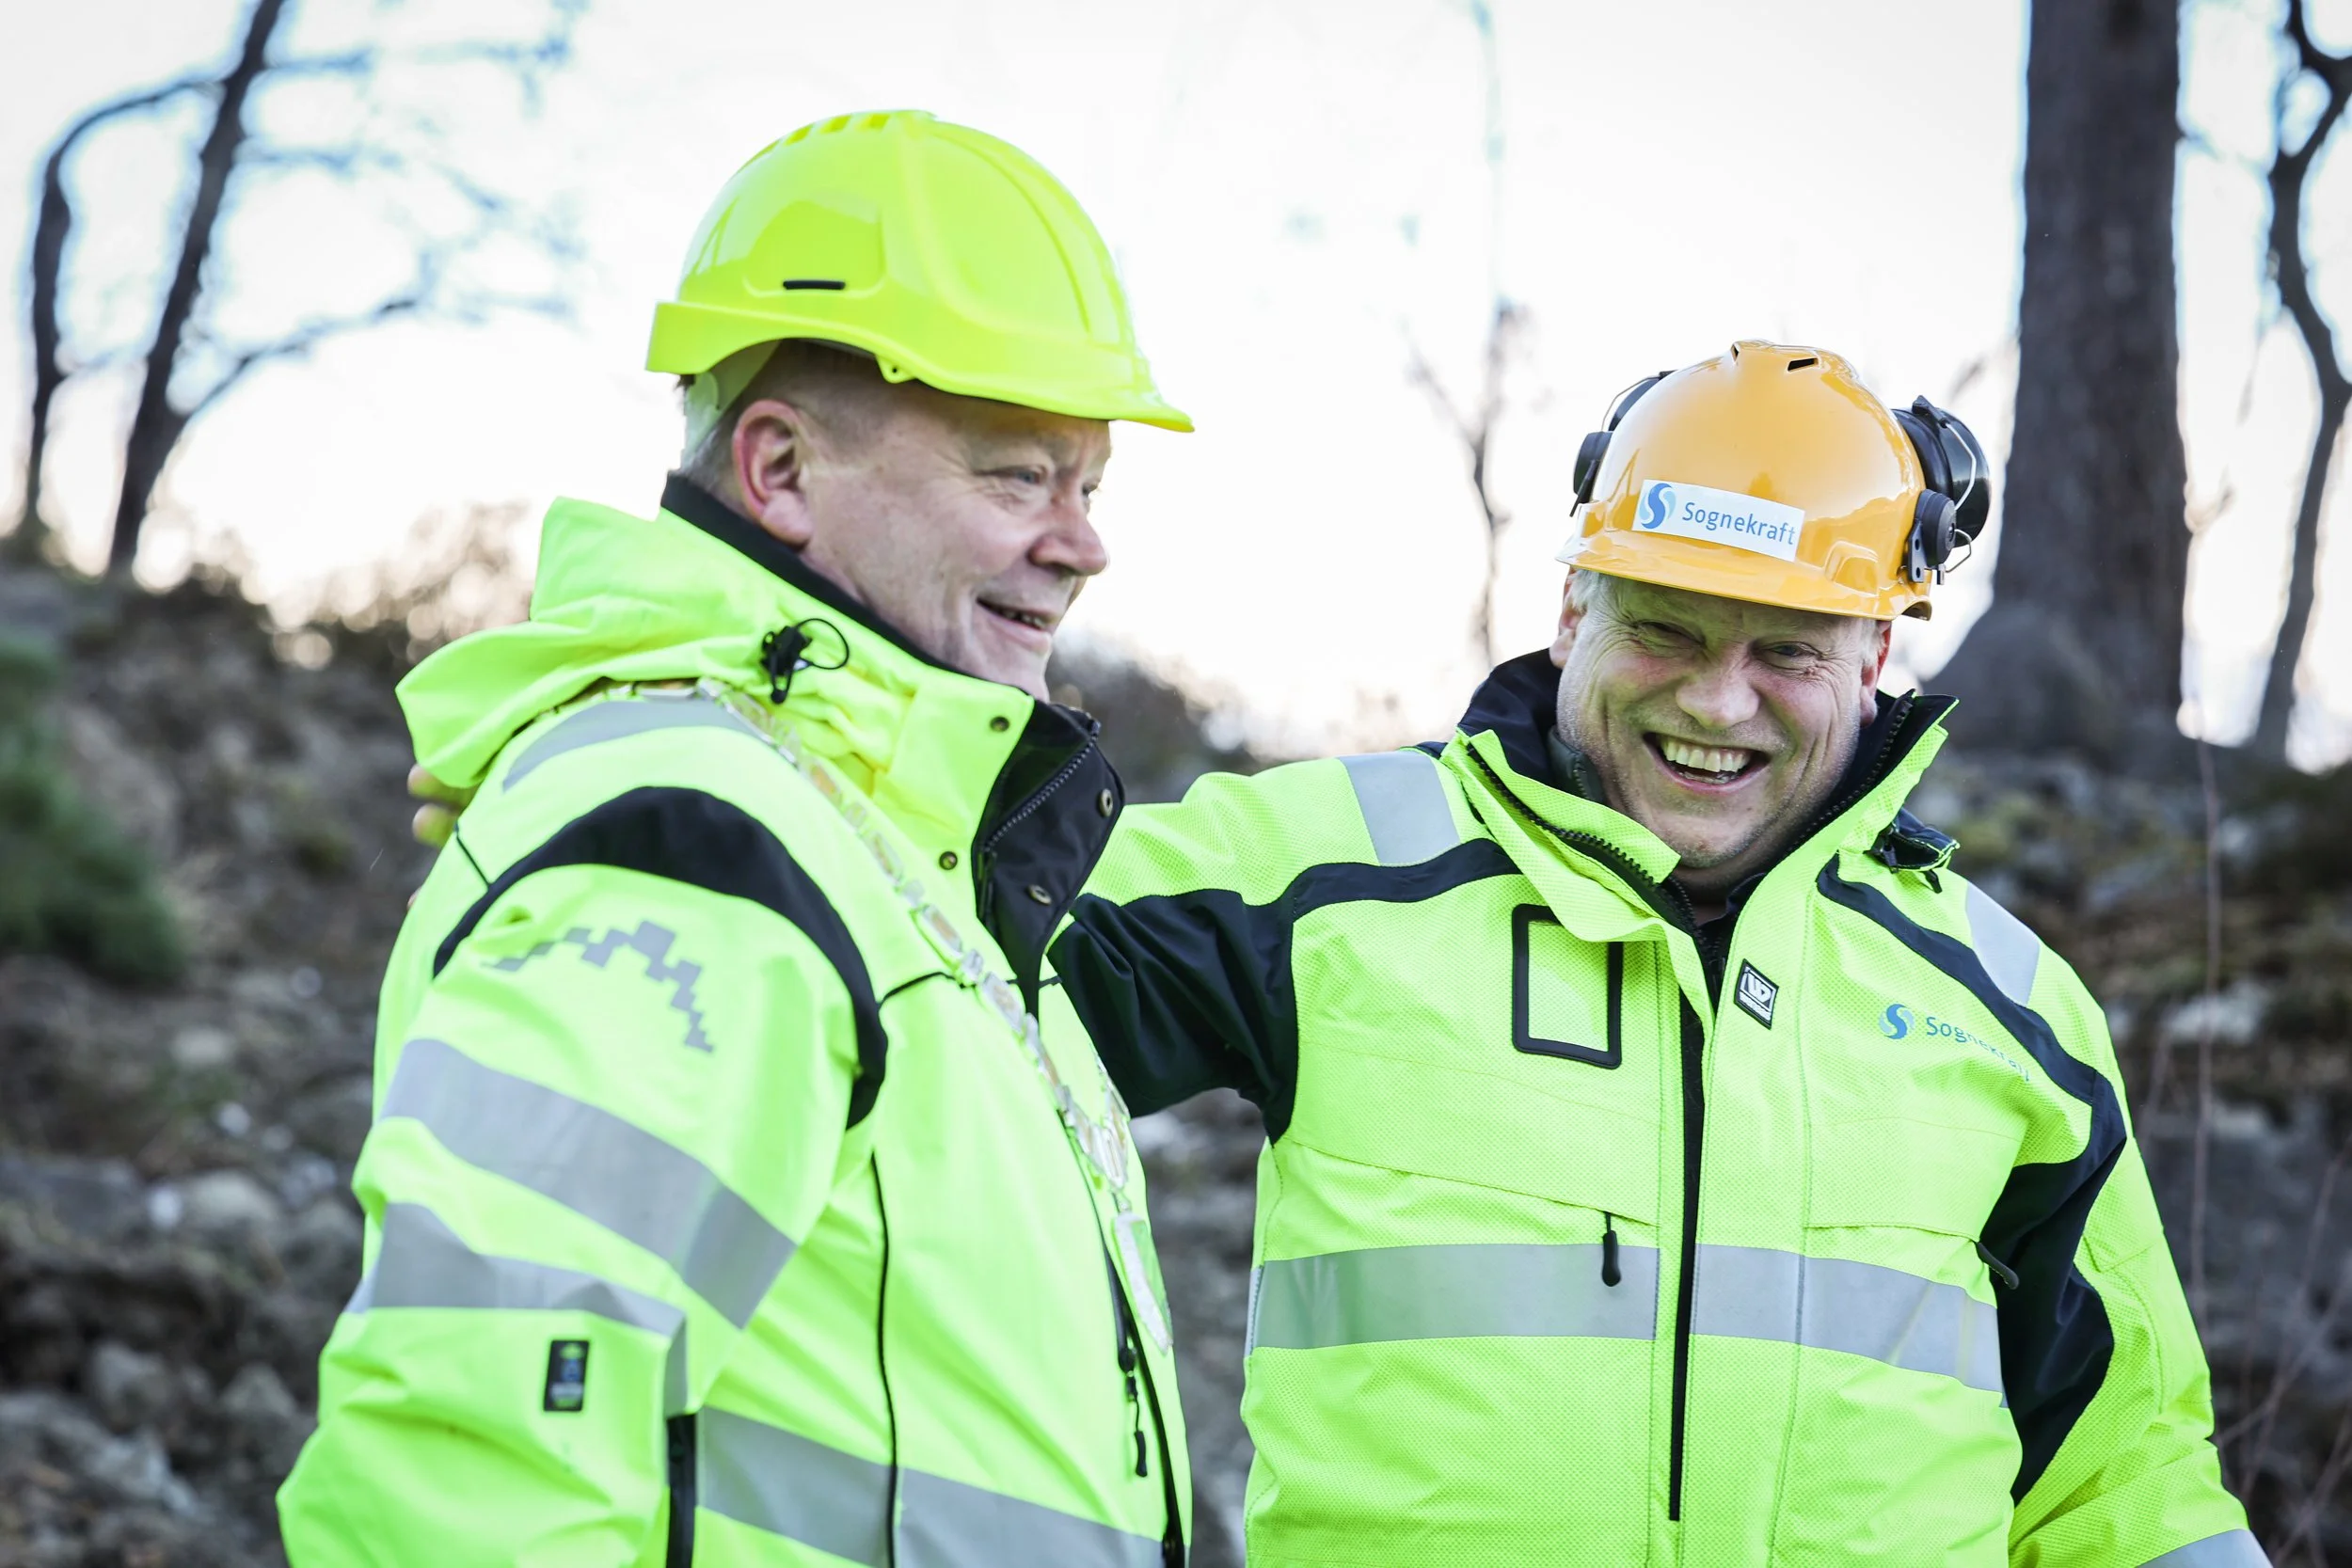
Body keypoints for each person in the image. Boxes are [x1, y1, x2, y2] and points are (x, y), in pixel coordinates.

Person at [1051, 342, 2264, 1565]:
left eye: (1786, 651)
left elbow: (2127, 1478)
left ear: (1873, 657)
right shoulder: (1326, 875)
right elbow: (935, 922)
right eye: (1667, 630)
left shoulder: (2010, 1011)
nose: (1716, 702)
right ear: (1575, 605)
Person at [278, 109, 1195, 1566]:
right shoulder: (698, 841)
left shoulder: (899, 846)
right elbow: (467, 1475)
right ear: (778, 472)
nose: (1081, 543)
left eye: (1091, 485)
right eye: (1017, 474)